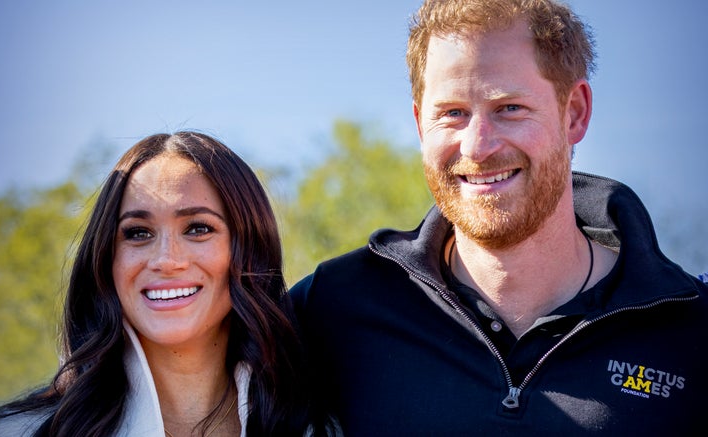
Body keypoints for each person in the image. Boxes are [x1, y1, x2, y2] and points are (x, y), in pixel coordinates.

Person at [290, 0, 708, 435]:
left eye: (509, 108)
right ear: (419, 124)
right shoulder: (330, 307)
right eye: (452, 113)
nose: (477, 146)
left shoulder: (691, 331)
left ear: (575, 113)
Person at [0, 132, 334, 436]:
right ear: (107, 259)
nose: (166, 260)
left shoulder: (321, 429)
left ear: (250, 252)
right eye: (138, 233)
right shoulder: (13, 433)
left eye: (198, 228)